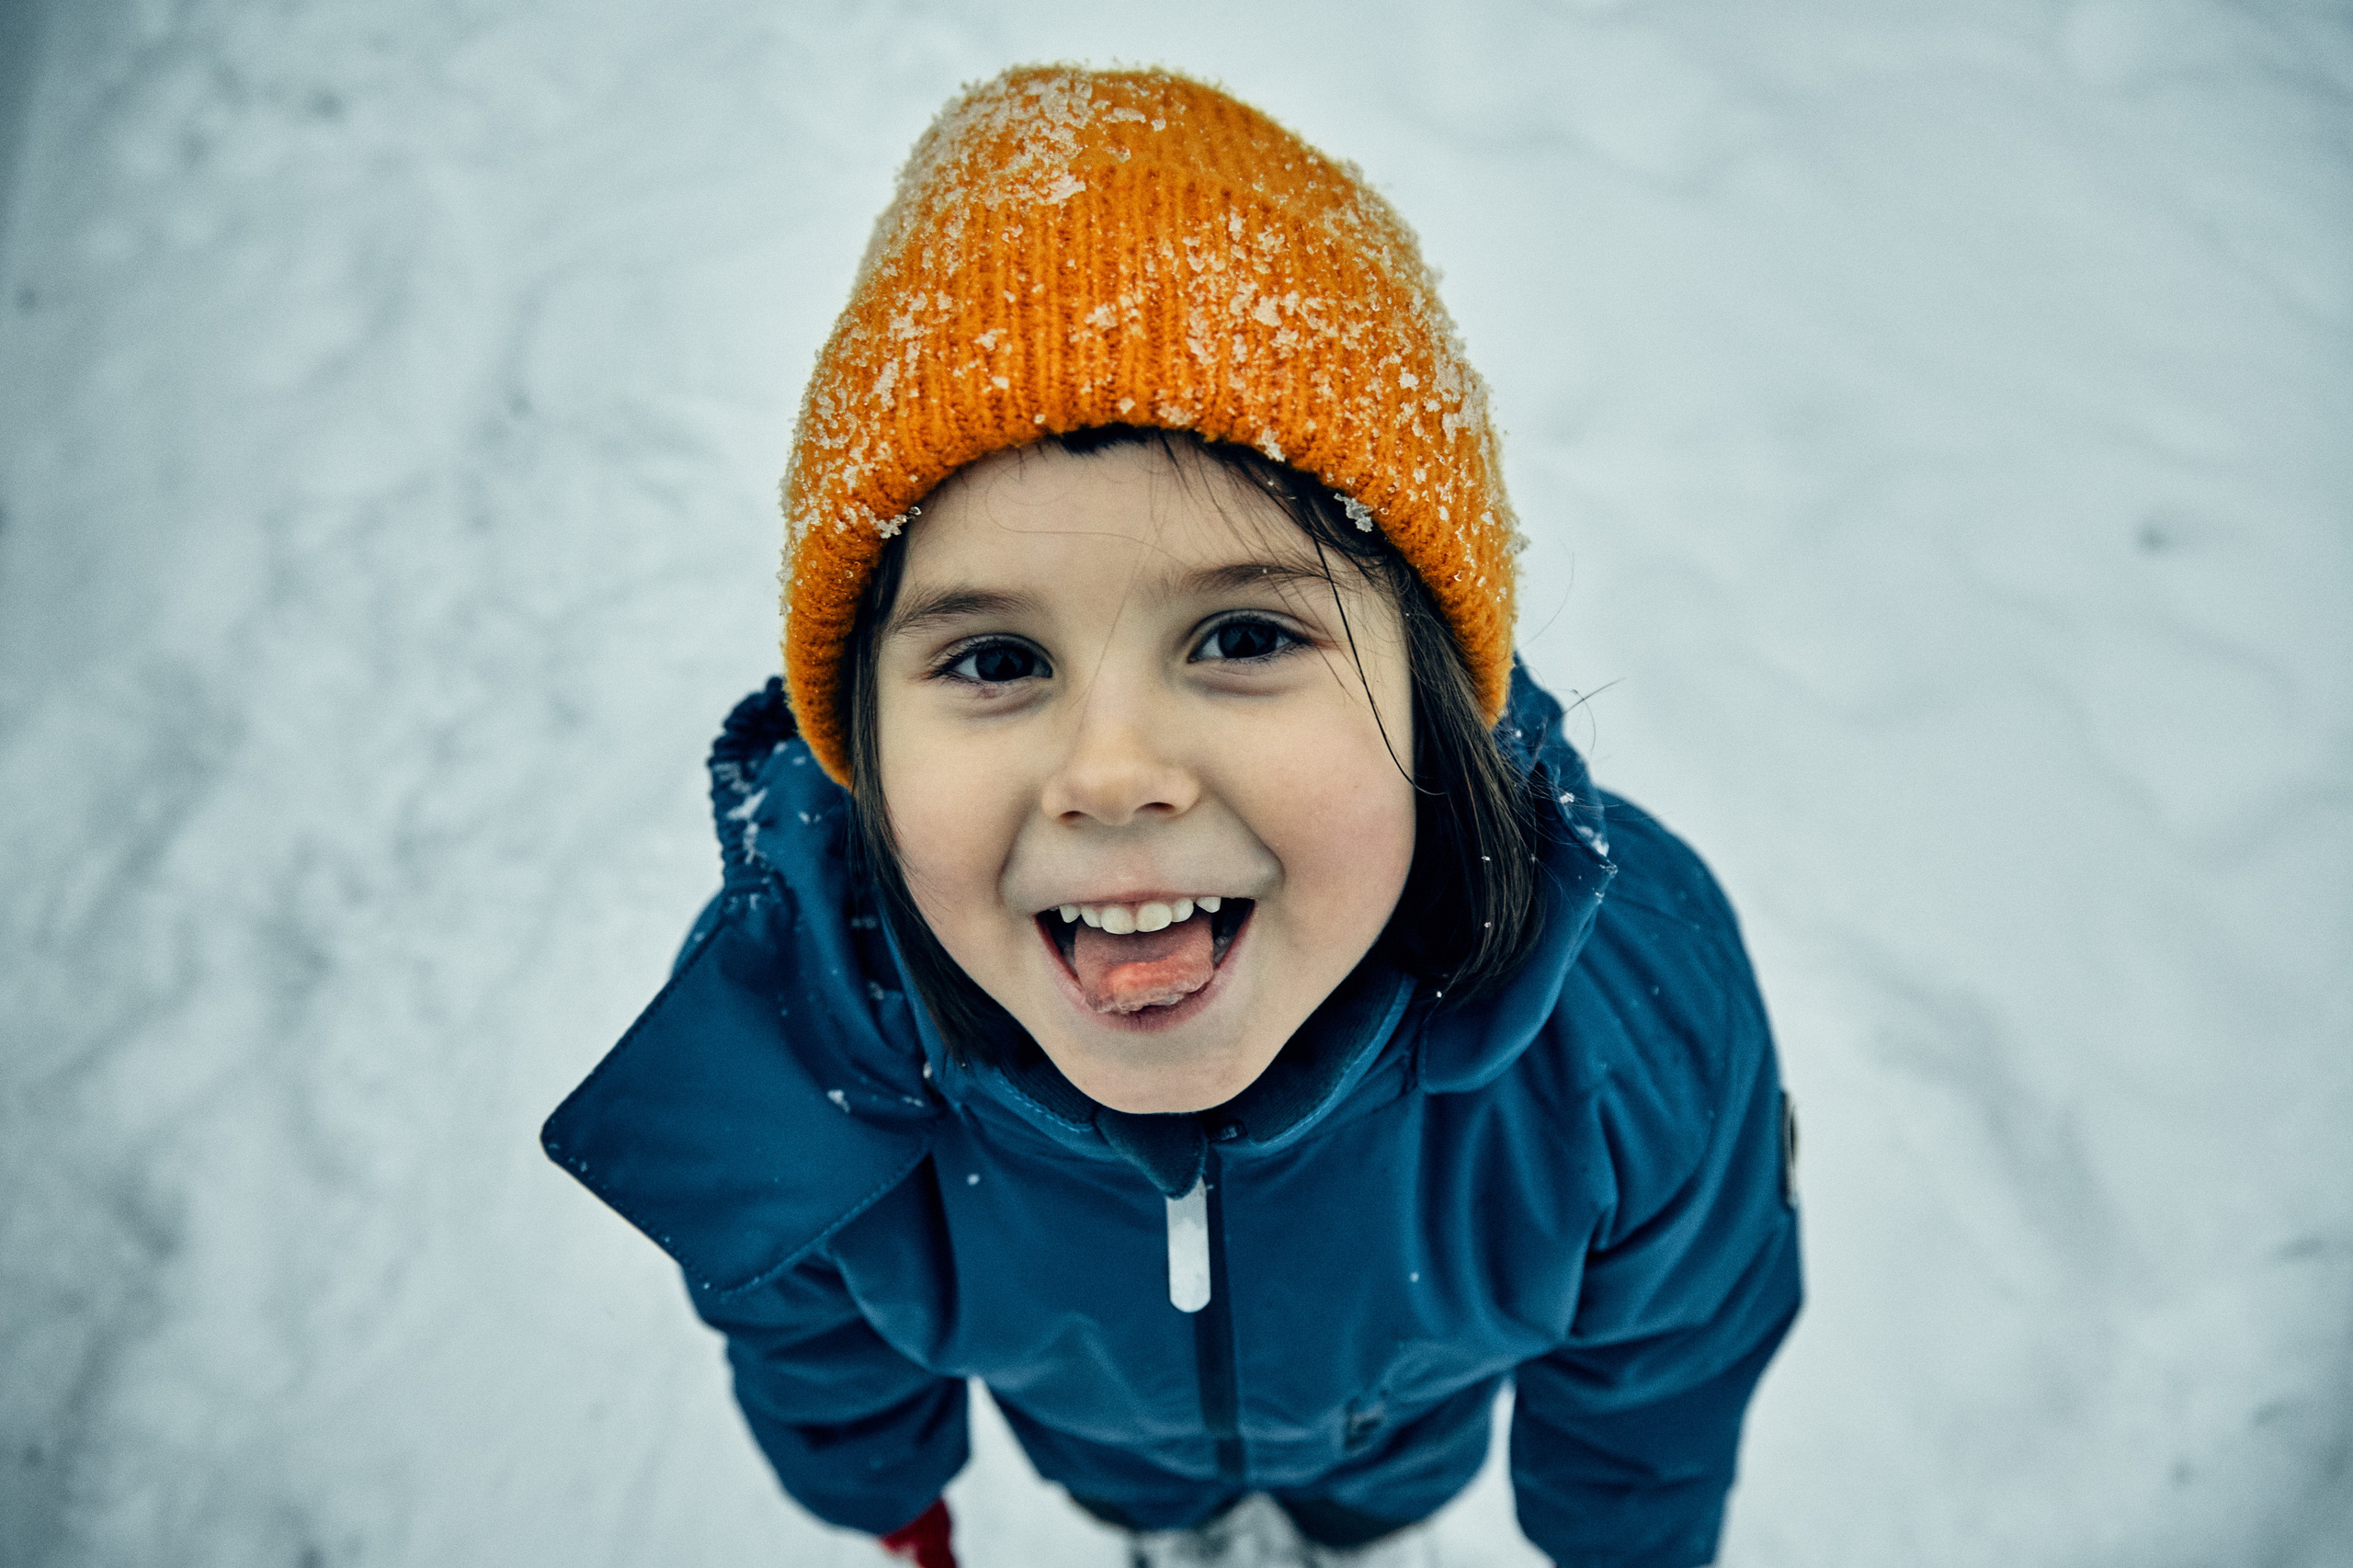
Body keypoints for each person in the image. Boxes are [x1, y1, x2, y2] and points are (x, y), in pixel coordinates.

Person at [542, 65, 1801, 1568]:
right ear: (864, 745)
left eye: (1246, 636)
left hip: (1398, 1430)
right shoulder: (800, 1020)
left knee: (1371, 1500)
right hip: (1106, 1439)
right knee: (1152, 1502)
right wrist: (880, 1492)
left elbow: (1665, 1358)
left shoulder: (1623, 1023)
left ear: (1431, 697)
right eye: (996, 660)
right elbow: (802, 1312)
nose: (1115, 771)